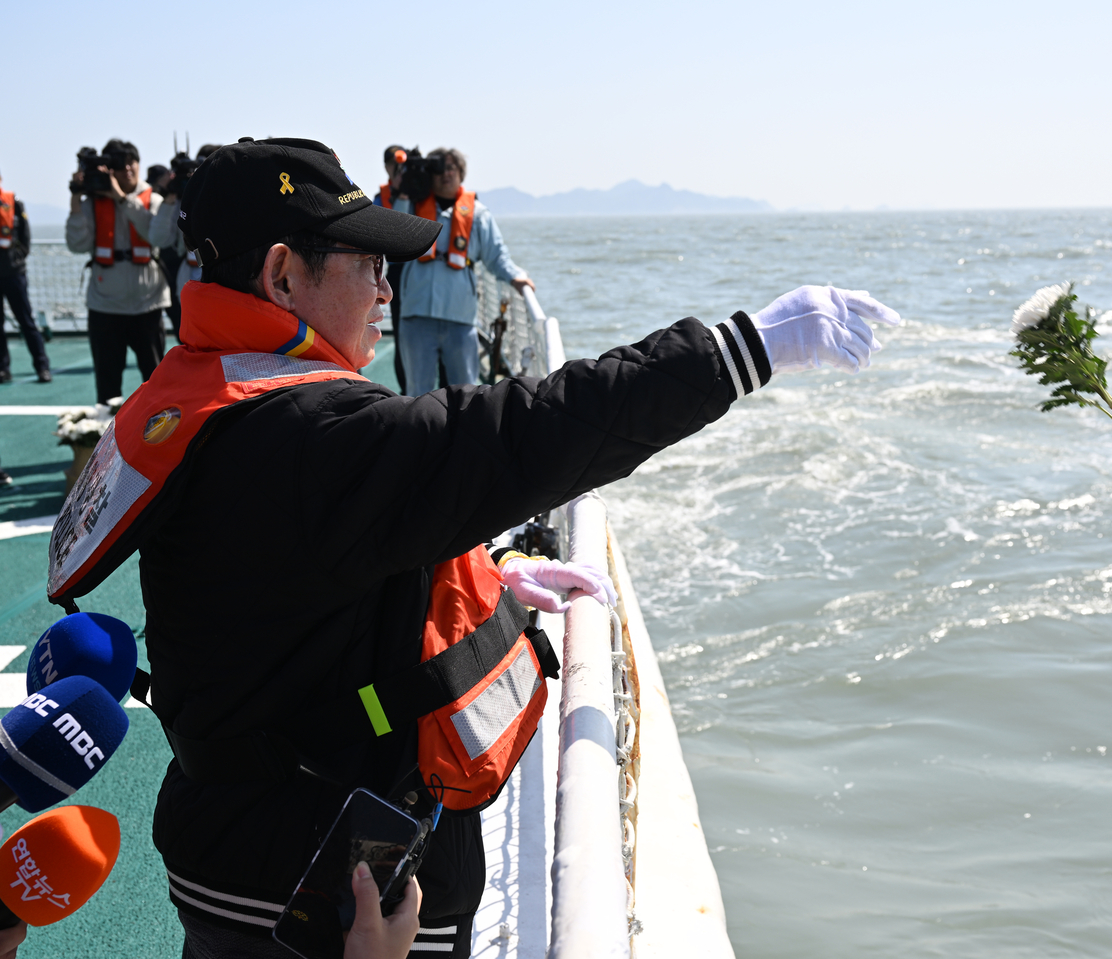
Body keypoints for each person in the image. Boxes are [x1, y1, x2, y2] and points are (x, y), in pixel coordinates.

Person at [43, 137, 897, 958]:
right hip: (326, 883)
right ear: (281, 275)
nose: (386, 293)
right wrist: (742, 350)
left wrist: (493, 583)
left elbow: (291, 589)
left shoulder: (196, 398)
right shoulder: (314, 434)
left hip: (228, 835)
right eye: (368, 265)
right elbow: (527, 432)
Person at [391, 148, 533, 396]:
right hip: (417, 315)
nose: (445, 174)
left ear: (460, 173)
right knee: (416, 391)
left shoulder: (478, 214)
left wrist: (516, 277)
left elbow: (496, 255)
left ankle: (464, 435)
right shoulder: (411, 206)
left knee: (466, 391)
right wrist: (404, 191)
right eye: (438, 169)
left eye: (451, 168)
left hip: (460, 317)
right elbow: (394, 239)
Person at [64, 138, 170, 402]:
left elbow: (157, 237)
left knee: (156, 380)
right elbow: (77, 244)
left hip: (148, 304)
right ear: (109, 169)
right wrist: (76, 197)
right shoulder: (92, 203)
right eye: (120, 165)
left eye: (131, 162)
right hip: (105, 306)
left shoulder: (153, 200)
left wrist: (122, 199)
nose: (127, 170)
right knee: (107, 383)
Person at [151, 144, 223, 341]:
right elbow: (158, 239)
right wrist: (171, 199)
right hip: (188, 279)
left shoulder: (227, 198)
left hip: (221, 281)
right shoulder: (180, 202)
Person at [0, 169, 52, 384]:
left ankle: (42, 366)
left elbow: (25, 237)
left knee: (26, 321)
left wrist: (18, 258)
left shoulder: (15, 202)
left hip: (14, 273)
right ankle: (3, 369)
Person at [374, 144, 409, 392]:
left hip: (423, 272)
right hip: (398, 273)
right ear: (386, 167)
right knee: (403, 334)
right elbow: (387, 234)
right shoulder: (381, 198)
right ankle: (408, 388)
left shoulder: (421, 193)